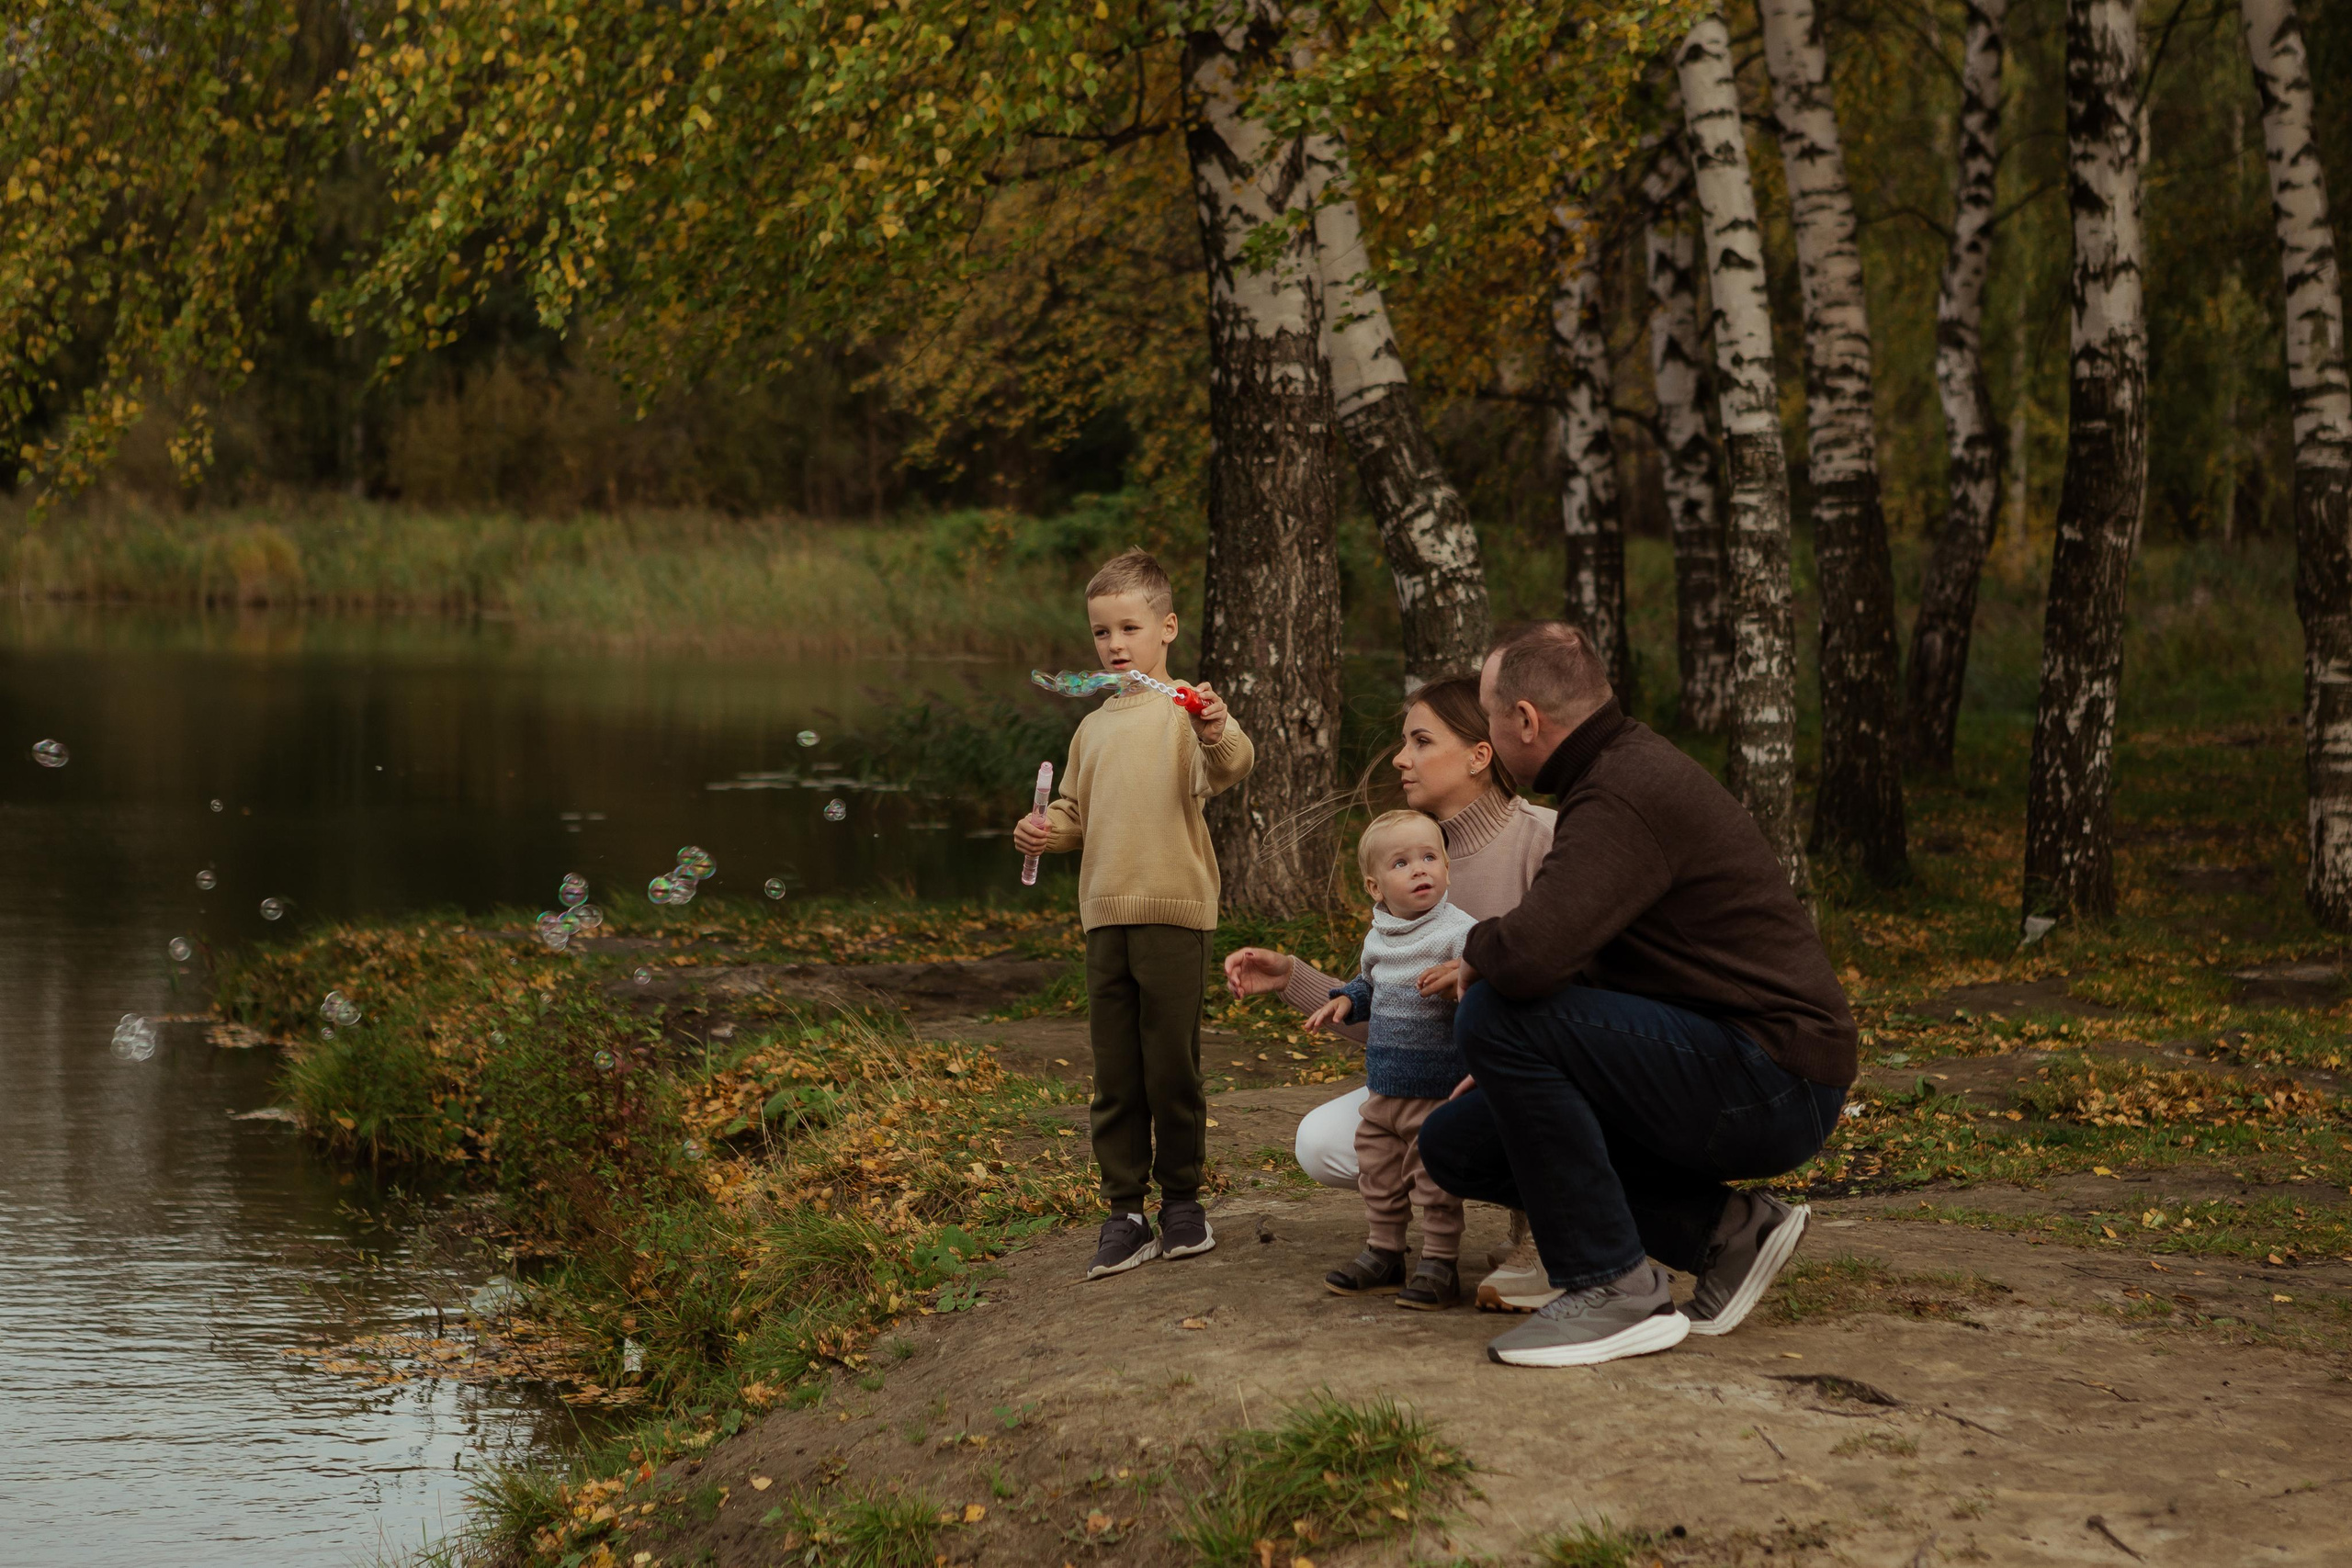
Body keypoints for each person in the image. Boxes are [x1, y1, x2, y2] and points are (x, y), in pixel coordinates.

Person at [1419, 622, 1856, 1368]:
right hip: (1730, 1060)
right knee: (1459, 1138)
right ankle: (1728, 1233)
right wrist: (1517, 1073)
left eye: (1490, 715)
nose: (1490, 731)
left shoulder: (1626, 789)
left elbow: (1528, 956)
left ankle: (1611, 1288)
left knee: (1496, 1007)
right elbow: (1597, 956)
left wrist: (1477, 954)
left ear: (1524, 721)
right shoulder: (1615, 775)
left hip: (1774, 1074)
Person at [1222, 675, 1561, 1310]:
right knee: (1322, 1140)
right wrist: (1293, 978)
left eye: (1420, 740)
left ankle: (1547, 1228)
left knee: (1499, 1107)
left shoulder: (1545, 839)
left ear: (1478, 754)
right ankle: (1396, 1242)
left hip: (1532, 1074)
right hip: (1434, 1078)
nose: (1402, 757)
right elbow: (1393, 1009)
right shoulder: (1403, 857)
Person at [1012, 548, 1255, 1280]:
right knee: (1116, 1071)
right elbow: (1077, 813)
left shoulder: (1185, 708)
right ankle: (1124, 1211)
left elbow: (1232, 761)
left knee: (1169, 1065)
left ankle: (1183, 1203)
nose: (1114, 645)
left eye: (1129, 627)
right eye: (1100, 632)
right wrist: (1043, 831)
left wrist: (1213, 725)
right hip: (1103, 917)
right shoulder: (1092, 729)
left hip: (1174, 912)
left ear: (1167, 627)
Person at [1303, 810, 1479, 1310]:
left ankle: (1441, 1264)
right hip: (1383, 1087)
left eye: (1430, 857)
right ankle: (1385, 1252)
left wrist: (1462, 984)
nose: (1420, 869)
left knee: (1434, 1180)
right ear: (1375, 887)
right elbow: (1369, 983)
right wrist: (1346, 999)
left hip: (1437, 1088)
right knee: (1378, 1172)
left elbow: (1486, 990)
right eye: (1402, 863)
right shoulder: (1379, 935)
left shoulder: (1461, 933)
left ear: (1447, 867)